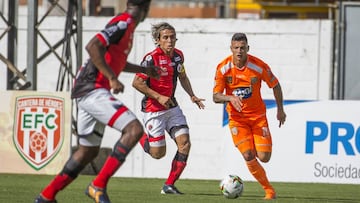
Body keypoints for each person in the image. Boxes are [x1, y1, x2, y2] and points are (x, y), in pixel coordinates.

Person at [34, 1, 158, 203]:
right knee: (134, 129)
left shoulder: (127, 28)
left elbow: (116, 61)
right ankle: (97, 185)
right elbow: (93, 46)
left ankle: (46, 196)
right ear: (146, 9)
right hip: (92, 88)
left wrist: (143, 70)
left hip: (88, 91)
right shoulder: (124, 23)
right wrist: (111, 78)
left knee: (87, 152)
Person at [132, 22, 205, 195]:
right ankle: (137, 135)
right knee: (158, 154)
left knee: (185, 144)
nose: (170, 40)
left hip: (172, 108)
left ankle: (169, 185)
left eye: (172, 37)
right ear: (158, 40)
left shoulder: (178, 56)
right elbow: (136, 82)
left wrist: (192, 95)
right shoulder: (151, 58)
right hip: (153, 110)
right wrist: (158, 96)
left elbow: (183, 76)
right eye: (165, 37)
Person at [212, 33, 286, 200]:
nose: (239, 51)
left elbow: (276, 85)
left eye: (242, 48)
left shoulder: (259, 66)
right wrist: (229, 97)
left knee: (264, 157)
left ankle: (265, 182)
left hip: (258, 117)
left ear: (248, 49)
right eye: (236, 48)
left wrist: (280, 110)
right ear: (231, 48)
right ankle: (269, 190)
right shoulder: (223, 68)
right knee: (248, 155)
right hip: (237, 120)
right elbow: (215, 96)